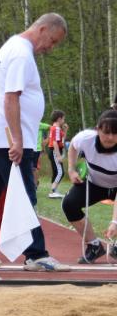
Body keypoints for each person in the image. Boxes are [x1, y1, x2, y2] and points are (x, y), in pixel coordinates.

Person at [0, 13, 69, 271]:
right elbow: (11, 98)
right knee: (25, 195)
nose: (50, 48)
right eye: (52, 41)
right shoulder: (21, 54)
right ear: (43, 29)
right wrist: (18, 140)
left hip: (0, 136)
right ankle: (36, 255)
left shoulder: (14, 47)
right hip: (9, 139)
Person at [61, 109, 117, 263]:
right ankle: (94, 246)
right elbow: (73, 146)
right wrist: (71, 169)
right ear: (98, 129)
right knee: (69, 204)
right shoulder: (86, 138)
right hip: (94, 183)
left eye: (115, 133)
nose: (110, 137)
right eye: (106, 132)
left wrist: (115, 222)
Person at [48, 110, 66, 198]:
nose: (64, 121)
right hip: (55, 151)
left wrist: (65, 130)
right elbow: (55, 142)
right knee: (60, 172)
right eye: (63, 119)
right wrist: (58, 156)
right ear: (59, 119)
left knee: (57, 171)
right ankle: (53, 190)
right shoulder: (56, 129)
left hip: (55, 150)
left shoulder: (54, 128)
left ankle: (54, 190)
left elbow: (61, 141)